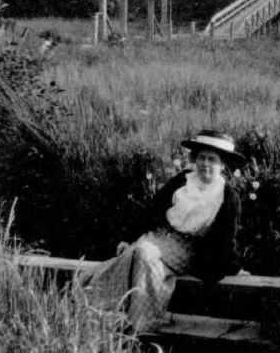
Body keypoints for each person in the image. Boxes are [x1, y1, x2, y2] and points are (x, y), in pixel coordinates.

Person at [79, 129, 247, 333]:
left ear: (222, 164)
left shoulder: (226, 197)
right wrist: (127, 237)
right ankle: (105, 313)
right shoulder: (183, 180)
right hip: (159, 235)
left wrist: (233, 266)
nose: (205, 164)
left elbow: (226, 239)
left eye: (212, 159)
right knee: (138, 252)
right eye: (201, 157)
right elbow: (152, 209)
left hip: (188, 248)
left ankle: (131, 322)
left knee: (143, 252)